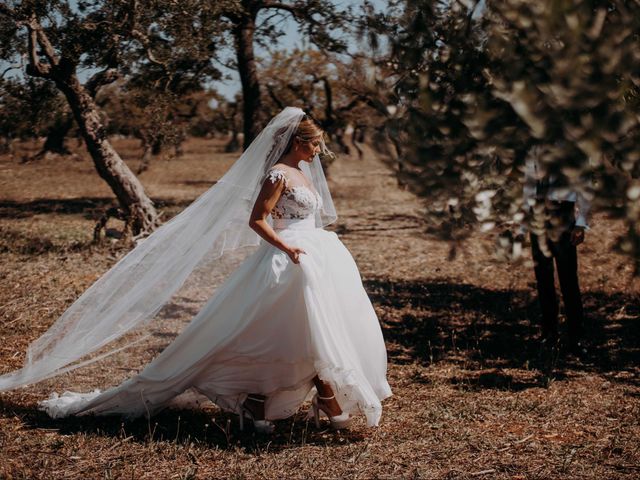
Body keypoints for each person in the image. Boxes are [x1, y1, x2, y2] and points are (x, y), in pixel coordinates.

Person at [0, 107, 391, 432]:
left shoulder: (305, 173)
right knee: (270, 332)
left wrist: (311, 245)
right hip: (286, 258)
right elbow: (258, 221)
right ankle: (269, 400)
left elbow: (310, 216)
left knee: (311, 327)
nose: (320, 148)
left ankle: (307, 395)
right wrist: (286, 246)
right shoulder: (277, 175)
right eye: (315, 142)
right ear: (297, 141)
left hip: (317, 254)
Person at [517, 145, 591, 355]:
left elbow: (585, 186)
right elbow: (528, 186)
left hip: (563, 214)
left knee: (568, 278)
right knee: (543, 278)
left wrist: (580, 223)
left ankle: (576, 338)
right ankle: (549, 335)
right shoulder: (535, 149)